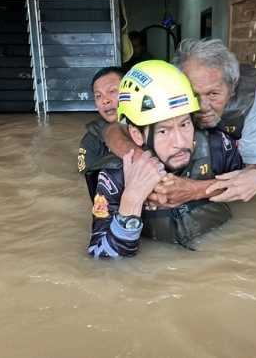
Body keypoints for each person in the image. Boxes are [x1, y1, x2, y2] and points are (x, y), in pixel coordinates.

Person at [87, 61, 245, 258]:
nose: (180, 142)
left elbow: (251, 183)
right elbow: (102, 260)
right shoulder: (115, 175)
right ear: (137, 135)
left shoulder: (218, 145)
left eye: (185, 124)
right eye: (163, 130)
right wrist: (131, 202)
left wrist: (196, 190)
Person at [104, 38, 256, 205]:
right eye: (193, 94)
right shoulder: (166, 93)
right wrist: (146, 164)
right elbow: (114, 130)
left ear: (232, 89)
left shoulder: (252, 104)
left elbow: (250, 177)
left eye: (213, 94)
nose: (202, 107)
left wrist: (194, 190)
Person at [77, 67, 124, 200]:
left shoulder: (152, 126)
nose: (105, 100)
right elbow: (86, 182)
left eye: (112, 91)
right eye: (98, 96)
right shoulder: (91, 140)